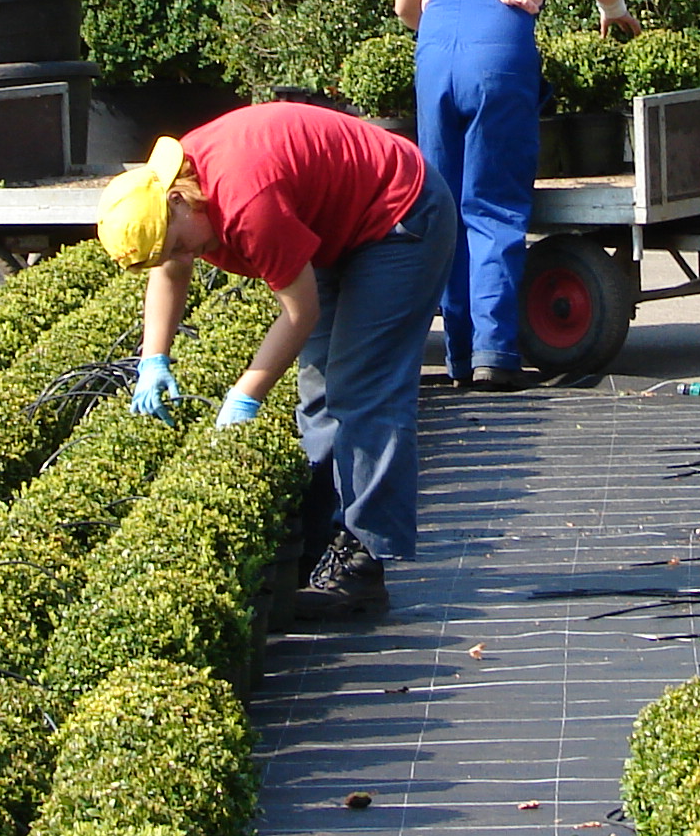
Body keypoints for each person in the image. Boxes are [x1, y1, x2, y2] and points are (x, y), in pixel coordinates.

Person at [96, 98, 457, 621]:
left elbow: (300, 313)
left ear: (180, 202)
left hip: (400, 214)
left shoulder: (246, 204)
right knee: (319, 390)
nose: (182, 258)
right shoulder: (172, 198)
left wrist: (245, 396)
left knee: (362, 389)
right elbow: (169, 272)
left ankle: (362, 561)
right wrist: (153, 358)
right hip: (338, 227)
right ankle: (320, 537)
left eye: (177, 245)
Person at [388, 0, 636, 390]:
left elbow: (406, 6)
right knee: (493, 204)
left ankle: (455, 356)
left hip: (434, 66)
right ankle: (494, 352)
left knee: (443, 207)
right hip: (499, 62)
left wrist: (440, 40)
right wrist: (612, 8)